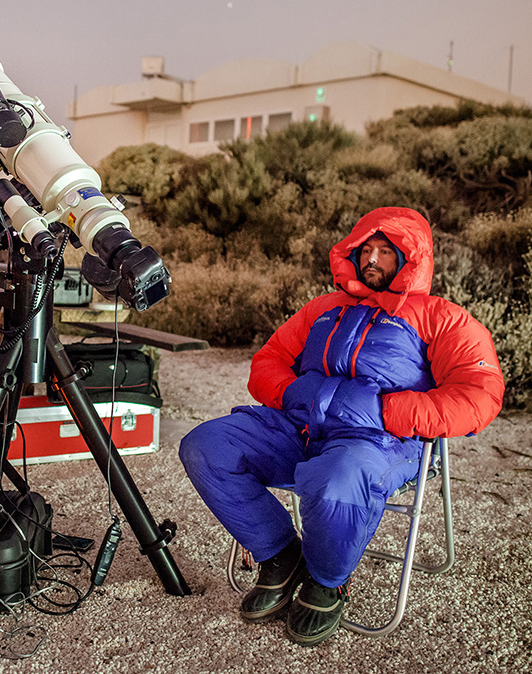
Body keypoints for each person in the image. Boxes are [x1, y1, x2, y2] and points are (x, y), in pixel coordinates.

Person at [179, 207, 504, 647]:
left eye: (385, 251)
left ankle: (327, 581)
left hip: (379, 441)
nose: (371, 259)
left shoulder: (442, 318)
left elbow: (479, 394)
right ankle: (280, 555)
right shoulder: (323, 308)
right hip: (302, 426)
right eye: (364, 249)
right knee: (206, 446)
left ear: (411, 259)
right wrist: (298, 395)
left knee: (334, 478)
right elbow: (266, 363)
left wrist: (388, 412)